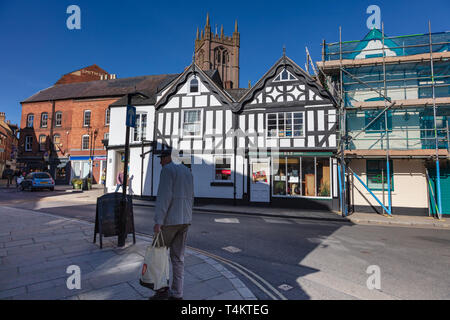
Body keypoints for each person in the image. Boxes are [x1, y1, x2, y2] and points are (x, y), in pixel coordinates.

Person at [149, 148, 194, 300]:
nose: (160, 161)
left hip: (169, 222)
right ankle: (177, 293)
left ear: (169, 158)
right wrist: (188, 218)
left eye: (162, 158)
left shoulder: (167, 170)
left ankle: (161, 290)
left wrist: (158, 221)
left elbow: (163, 197)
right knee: (178, 258)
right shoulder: (187, 171)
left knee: (158, 255)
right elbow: (191, 197)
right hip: (184, 221)